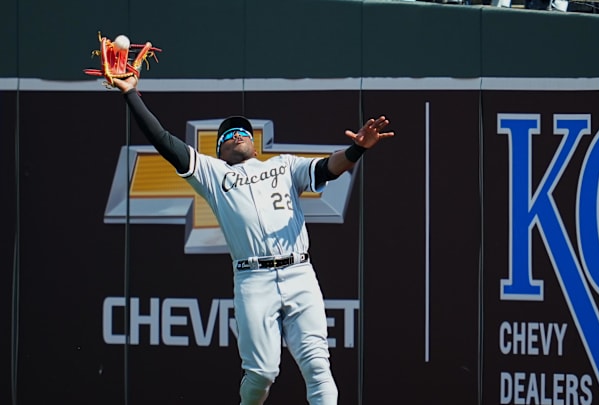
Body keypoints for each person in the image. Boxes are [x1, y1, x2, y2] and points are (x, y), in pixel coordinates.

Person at [110, 75, 393, 405]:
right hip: (253, 279)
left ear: (254, 143)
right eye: (228, 135)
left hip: (299, 273)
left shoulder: (284, 166)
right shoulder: (214, 175)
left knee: (318, 367)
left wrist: (357, 149)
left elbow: (328, 168)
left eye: (242, 131)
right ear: (220, 150)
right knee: (261, 374)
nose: (237, 135)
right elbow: (163, 140)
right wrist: (131, 93)